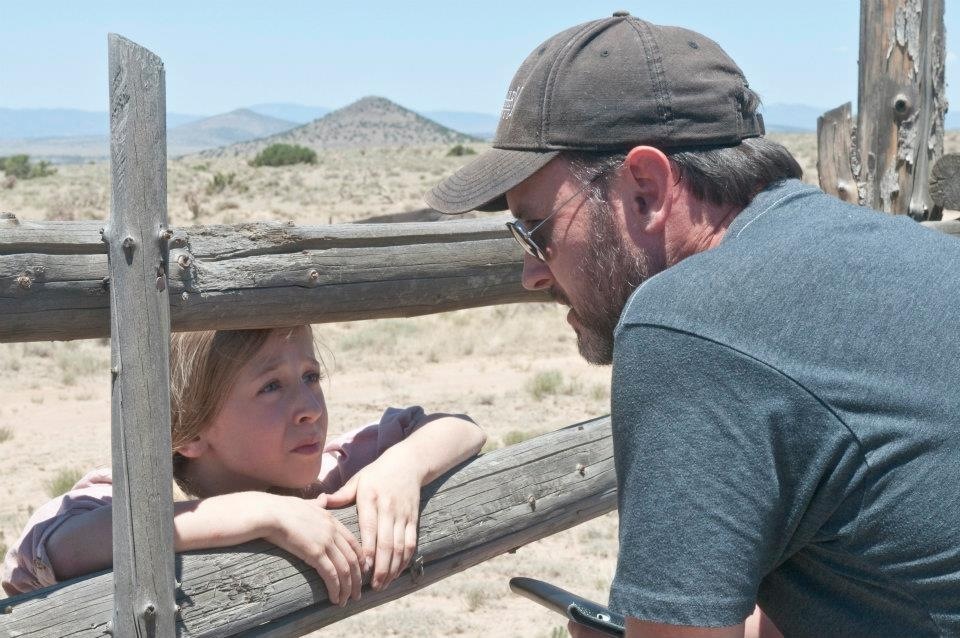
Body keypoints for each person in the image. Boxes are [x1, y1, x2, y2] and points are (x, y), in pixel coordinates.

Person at [426, 11, 960, 638]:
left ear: (646, 188)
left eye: (535, 229)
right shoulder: (912, 254)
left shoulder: (684, 325)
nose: (531, 274)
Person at [2, 326, 485, 604]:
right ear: (188, 431)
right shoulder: (123, 497)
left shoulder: (327, 477)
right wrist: (260, 513)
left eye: (311, 375)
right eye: (271, 386)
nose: (311, 408)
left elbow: (463, 428)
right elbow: (57, 547)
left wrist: (403, 465)